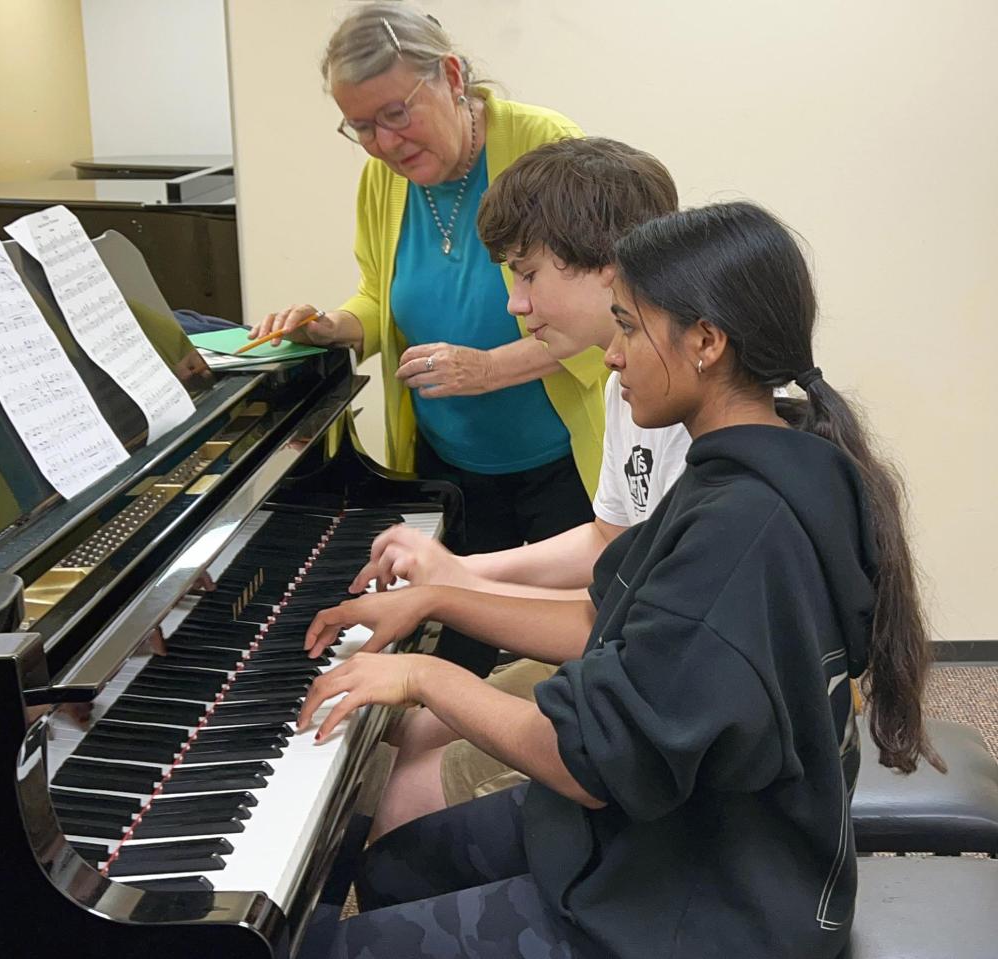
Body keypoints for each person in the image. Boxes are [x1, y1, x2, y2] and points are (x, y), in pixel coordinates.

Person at [297, 201, 943, 958]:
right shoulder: (762, 460)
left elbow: (586, 762)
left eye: (629, 327)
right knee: (396, 865)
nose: (611, 353)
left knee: (333, 947)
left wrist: (421, 676)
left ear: (706, 341)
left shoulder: (741, 528)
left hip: (704, 903)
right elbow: (602, 618)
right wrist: (439, 596)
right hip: (681, 828)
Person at [249, 2, 609, 676]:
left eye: (395, 114)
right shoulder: (382, 179)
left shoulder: (543, 144)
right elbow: (382, 296)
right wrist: (332, 327)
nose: (384, 143)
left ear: (449, 75)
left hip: (562, 463)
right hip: (454, 466)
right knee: (459, 641)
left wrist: (492, 367)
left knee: (578, 649)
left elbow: (604, 309)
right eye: (360, 127)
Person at [349, 136, 686, 838]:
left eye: (528, 275)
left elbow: (614, 621)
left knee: (401, 800)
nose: (515, 302)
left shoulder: (680, 398)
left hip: (661, 696)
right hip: (626, 661)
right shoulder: (628, 374)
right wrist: (462, 568)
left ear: (610, 262)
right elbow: (609, 541)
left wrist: (445, 599)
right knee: (407, 738)